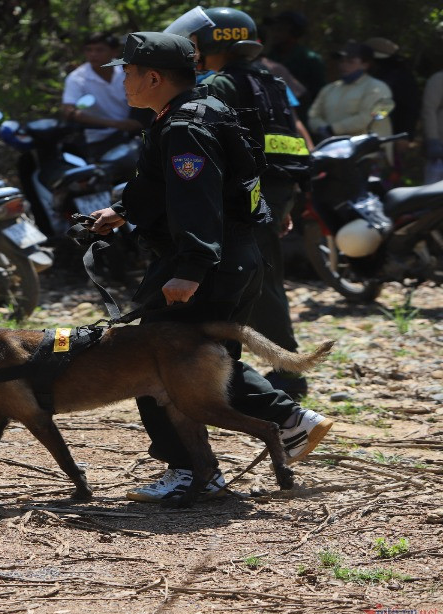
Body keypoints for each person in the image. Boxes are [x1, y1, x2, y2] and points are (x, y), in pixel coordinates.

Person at [87, 32, 332, 502]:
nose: (123, 81)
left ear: (154, 77)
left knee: (154, 360)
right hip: (236, 259)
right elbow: (167, 186)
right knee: (205, 360)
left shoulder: (184, 127)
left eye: (129, 72)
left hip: (205, 264)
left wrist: (191, 269)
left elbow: (197, 202)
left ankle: (189, 471)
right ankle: (291, 421)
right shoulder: (196, 113)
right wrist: (122, 209)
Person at [180, 7, 313, 398]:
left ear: (210, 42)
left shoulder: (220, 85)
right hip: (276, 191)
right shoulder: (270, 80)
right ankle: (271, 368)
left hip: (248, 196)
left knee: (256, 282)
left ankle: (284, 375)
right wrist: (284, 205)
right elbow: (289, 144)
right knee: (264, 279)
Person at [61, 31, 143, 161]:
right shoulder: (77, 79)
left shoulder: (127, 70)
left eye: (99, 50)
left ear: (114, 52)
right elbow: (69, 111)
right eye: (89, 50)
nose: (93, 54)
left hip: (134, 133)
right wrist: (115, 124)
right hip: (100, 140)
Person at [308, 43, 394, 146]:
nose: (344, 65)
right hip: (332, 151)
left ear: (365, 65)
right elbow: (313, 115)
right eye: (342, 61)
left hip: (367, 152)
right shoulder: (329, 89)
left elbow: (367, 118)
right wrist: (322, 128)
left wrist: (332, 129)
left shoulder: (378, 87)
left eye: (350, 61)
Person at [365, 37, 420, 182]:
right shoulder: (374, 76)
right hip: (372, 137)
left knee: (386, 180)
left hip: (392, 137)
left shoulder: (399, 77)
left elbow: (408, 108)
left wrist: (404, 136)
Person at [262, 10, 325, 122]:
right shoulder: (269, 56)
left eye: (280, 29)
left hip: (301, 117)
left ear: (294, 33)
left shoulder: (310, 59)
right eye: (273, 29)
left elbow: (318, 94)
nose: (275, 33)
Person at [423, 69, 443, 184]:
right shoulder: (439, 79)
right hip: (440, 147)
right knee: (434, 193)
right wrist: (433, 139)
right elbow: (429, 109)